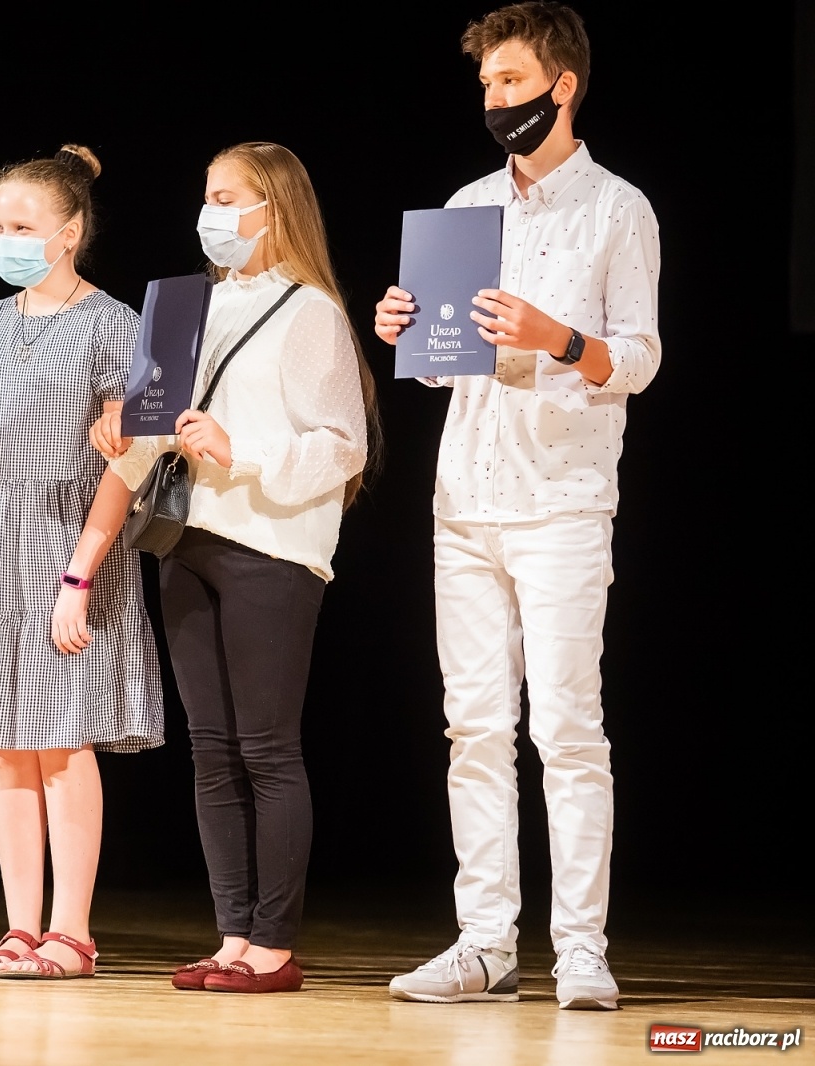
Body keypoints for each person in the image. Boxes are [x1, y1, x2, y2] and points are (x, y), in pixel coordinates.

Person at [373, 1, 660, 1011]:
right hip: (466, 498)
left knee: (569, 730)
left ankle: (579, 946)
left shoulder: (616, 209)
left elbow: (637, 358)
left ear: (561, 84)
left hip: (564, 503)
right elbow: (443, 364)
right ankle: (484, 939)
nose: (494, 100)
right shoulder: (462, 207)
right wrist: (406, 330)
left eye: (509, 82)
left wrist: (554, 337)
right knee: (474, 729)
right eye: (486, 85)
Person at [94, 143, 375, 993]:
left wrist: (239, 449)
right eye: (207, 196)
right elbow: (158, 414)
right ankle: (231, 937)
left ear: (273, 210)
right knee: (211, 751)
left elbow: (342, 446)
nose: (210, 214)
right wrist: (122, 418)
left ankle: (274, 943)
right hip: (189, 538)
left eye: (228, 198)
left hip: (272, 548)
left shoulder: (310, 311)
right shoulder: (189, 306)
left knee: (265, 749)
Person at [0, 145, 163, 980]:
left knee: (64, 742)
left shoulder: (113, 323)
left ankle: (73, 930)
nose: (5, 239)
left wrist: (79, 576)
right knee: (5, 744)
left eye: (21, 226)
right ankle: (19, 927)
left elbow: (124, 461)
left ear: (68, 233)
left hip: (71, 538)